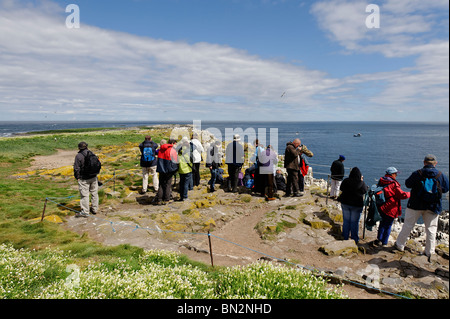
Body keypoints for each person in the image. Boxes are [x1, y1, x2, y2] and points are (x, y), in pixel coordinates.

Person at [395, 155, 449, 261]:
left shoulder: (417, 173)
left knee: (408, 225)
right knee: (431, 229)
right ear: (435, 163)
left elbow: (407, 184)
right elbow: (446, 189)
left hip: (415, 204)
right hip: (433, 206)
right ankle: (429, 251)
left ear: (424, 162)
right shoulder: (440, 175)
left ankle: (400, 245)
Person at [372, 167, 410, 247]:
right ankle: (384, 242)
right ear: (392, 174)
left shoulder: (382, 180)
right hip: (391, 207)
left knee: (382, 223)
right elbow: (401, 195)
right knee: (388, 225)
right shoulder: (393, 184)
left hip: (381, 205)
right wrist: (410, 194)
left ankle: (379, 239)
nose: (396, 175)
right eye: (395, 173)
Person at [338, 167, 368, 243]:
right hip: (356, 205)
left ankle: (345, 236)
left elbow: (341, 188)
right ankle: (355, 238)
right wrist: (361, 181)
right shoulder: (361, 183)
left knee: (346, 221)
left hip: (345, 203)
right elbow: (364, 191)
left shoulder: (346, 181)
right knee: (355, 222)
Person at [73, 142, 100, 218]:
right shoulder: (91, 153)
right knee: (94, 193)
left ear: (79, 148)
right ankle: (95, 209)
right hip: (94, 177)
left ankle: (85, 212)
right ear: (87, 147)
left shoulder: (78, 156)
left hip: (84, 178)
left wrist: (77, 177)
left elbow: (76, 168)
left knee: (84, 195)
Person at [155, 139, 178, 204]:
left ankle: (159, 199)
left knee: (161, 184)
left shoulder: (160, 150)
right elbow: (175, 161)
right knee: (168, 184)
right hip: (168, 170)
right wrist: (175, 169)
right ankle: (167, 199)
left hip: (161, 169)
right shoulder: (172, 150)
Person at [177, 137, 193, 201]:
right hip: (187, 169)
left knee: (181, 183)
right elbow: (189, 160)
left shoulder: (179, 150)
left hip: (181, 169)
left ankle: (181, 196)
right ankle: (185, 196)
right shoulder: (187, 150)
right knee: (186, 184)